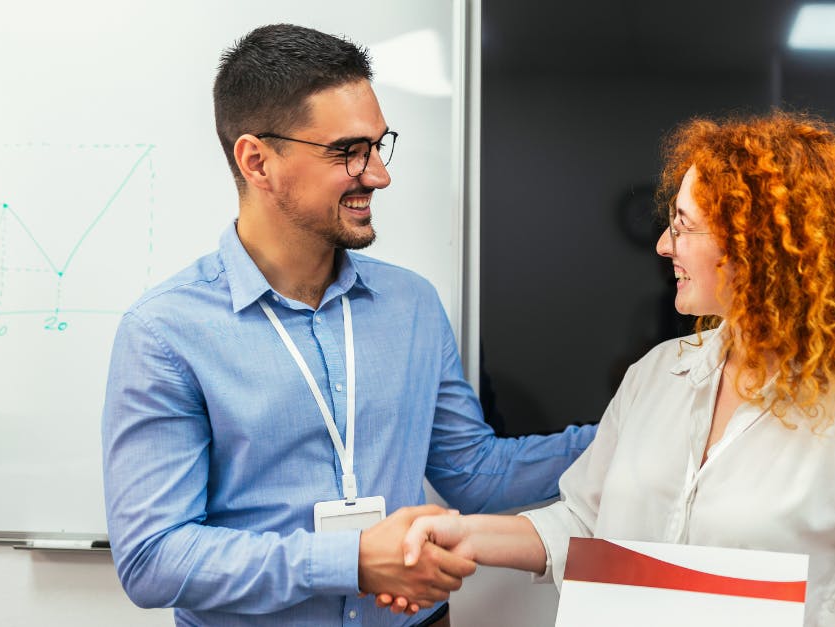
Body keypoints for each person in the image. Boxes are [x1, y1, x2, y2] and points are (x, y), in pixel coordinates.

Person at [100, 23, 595, 627]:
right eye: (347, 152)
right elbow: (154, 559)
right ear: (257, 160)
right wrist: (352, 560)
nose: (378, 175)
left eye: (378, 147)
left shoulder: (411, 305)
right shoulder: (165, 333)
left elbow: (476, 476)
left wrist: (629, 430)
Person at [398, 113, 835, 626]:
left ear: (753, 248)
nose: (665, 245)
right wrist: (465, 535)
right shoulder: (656, 375)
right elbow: (587, 527)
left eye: (684, 226)